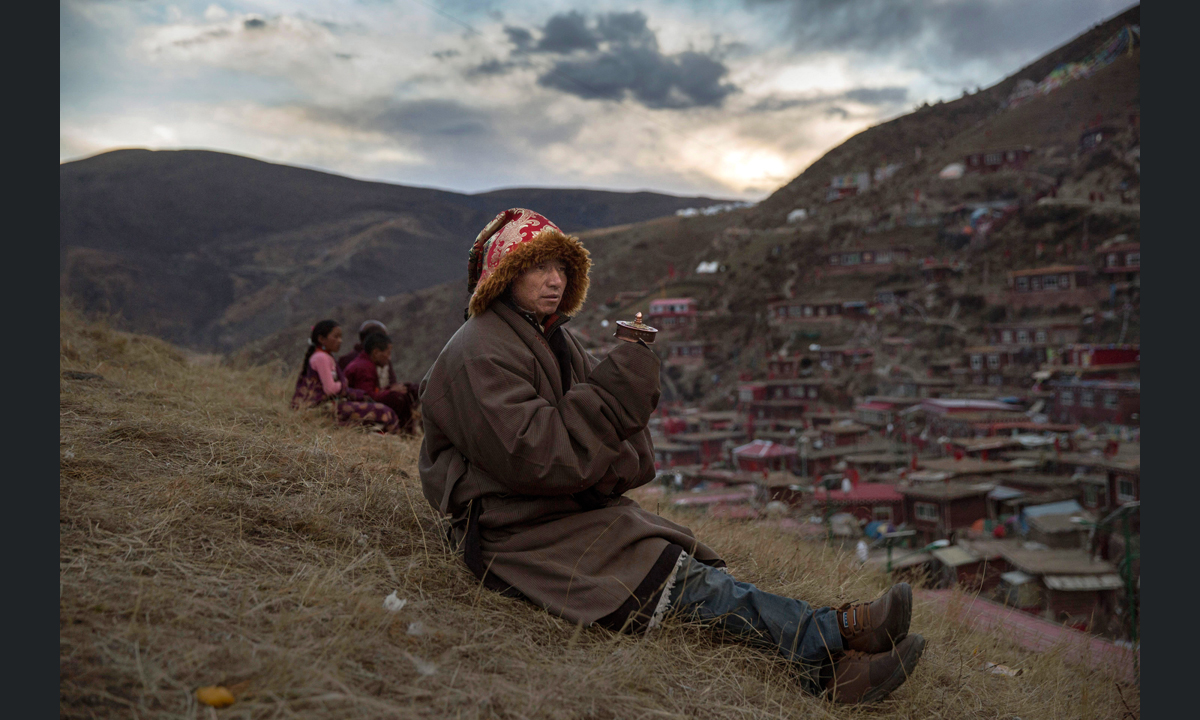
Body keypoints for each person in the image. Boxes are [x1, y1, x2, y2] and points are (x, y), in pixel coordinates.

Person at [418, 209, 924, 704]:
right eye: (537, 267)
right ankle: (835, 637)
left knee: (695, 572)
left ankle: (837, 667)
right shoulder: (478, 352)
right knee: (686, 581)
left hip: (556, 510)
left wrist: (624, 393)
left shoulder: (552, 339)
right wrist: (618, 388)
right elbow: (541, 456)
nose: (554, 280)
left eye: (561, 269)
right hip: (515, 530)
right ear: (505, 275)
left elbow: (610, 444)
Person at [292, 320, 401, 434]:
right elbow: (330, 389)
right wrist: (343, 384)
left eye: (340, 337)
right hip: (321, 407)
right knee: (383, 412)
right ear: (321, 339)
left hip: (327, 404)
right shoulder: (321, 358)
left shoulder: (325, 357)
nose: (340, 341)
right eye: (336, 337)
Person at [344, 332, 420, 434]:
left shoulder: (366, 363)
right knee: (398, 398)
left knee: (408, 388)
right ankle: (406, 433)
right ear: (376, 352)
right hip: (357, 405)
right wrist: (390, 391)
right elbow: (367, 396)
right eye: (388, 353)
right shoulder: (364, 368)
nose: (389, 358)